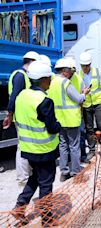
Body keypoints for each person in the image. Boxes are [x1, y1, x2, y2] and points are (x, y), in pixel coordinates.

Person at [12, 61, 61, 225]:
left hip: (28, 149)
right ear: (42, 80)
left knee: (34, 179)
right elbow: (52, 128)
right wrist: (59, 125)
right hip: (44, 150)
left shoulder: (21, 96)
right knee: (46, 185)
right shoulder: (44, 100)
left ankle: (19, 207)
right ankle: (47, 220)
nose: (51, 81)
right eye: (49, 78)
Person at [47, 58, 90, 182]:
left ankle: (64, 171)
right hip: (71, 119)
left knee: (63, 145)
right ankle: (76, 171)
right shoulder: (66, 83)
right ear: (65, 71)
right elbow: (78, 99)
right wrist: (84, 93)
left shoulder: (52, 82)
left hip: (59, 120)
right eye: (70, 71)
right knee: (74, 146)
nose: (71, 73)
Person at [3, 51, 40, 185]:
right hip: (21, 117)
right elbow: (14, 96)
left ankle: (26, 174)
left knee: (25, 145)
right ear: (32, 62)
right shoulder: (20, 76)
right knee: (22, 146)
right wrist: (10, 114)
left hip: (23, 116)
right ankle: (23, 177)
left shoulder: (22, 74)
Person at [78, 52, 101, 157]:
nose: (85, 68)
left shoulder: (97, 72)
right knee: (89, 128)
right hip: (87, 104)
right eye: (83, 66)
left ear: (90, 64)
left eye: (87, 65)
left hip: (99, 102)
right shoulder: (79, 75)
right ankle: (91, 150)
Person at [66, 58, 89, 163]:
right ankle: (71, 159)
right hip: (64, 115)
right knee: (66, 140)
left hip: (76, 113)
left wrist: (80, 108)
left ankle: (82, 155)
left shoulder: (78, 80)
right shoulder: (61, 80)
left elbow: (82, 96)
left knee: (81, 134)